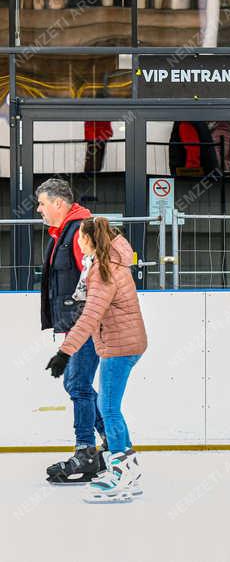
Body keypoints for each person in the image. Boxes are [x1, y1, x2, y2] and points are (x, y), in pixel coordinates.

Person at [44, 217, 148, 502]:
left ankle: (120, 474)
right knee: (108, 404)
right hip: (126, 342)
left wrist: (64, 353)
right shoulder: (109, 263)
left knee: (109, 407)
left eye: (80, 237)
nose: (77, 241)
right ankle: (128, 469)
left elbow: (89, 317)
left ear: (88, 240)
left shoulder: (103, 271)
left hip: (119, 345)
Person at [35, 178, 106, 484]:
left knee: (77, 384)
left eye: (42, 203)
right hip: (75, 326)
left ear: (58, 204)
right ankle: (115, 445)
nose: (38, 209)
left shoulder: (79, 233)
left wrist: (83, 324)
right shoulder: (63, 233)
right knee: (76, 384)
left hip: (87, 324)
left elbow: (95, 282)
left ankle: (86, 452)